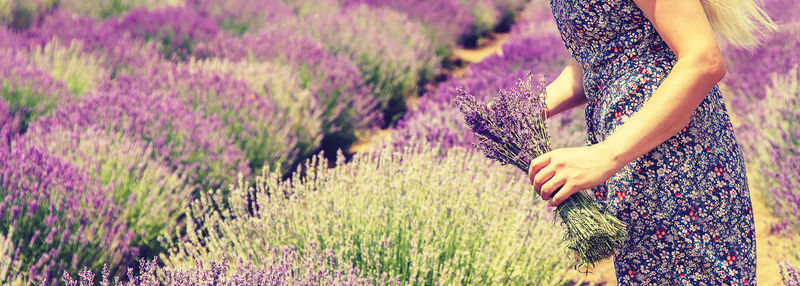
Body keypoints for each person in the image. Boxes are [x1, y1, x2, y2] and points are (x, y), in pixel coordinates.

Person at [527, 0, 776, 284]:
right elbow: (604, 52)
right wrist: (525, 107)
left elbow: (703, 60)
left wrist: (604, 155)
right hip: (631, 160)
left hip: (676, 159)